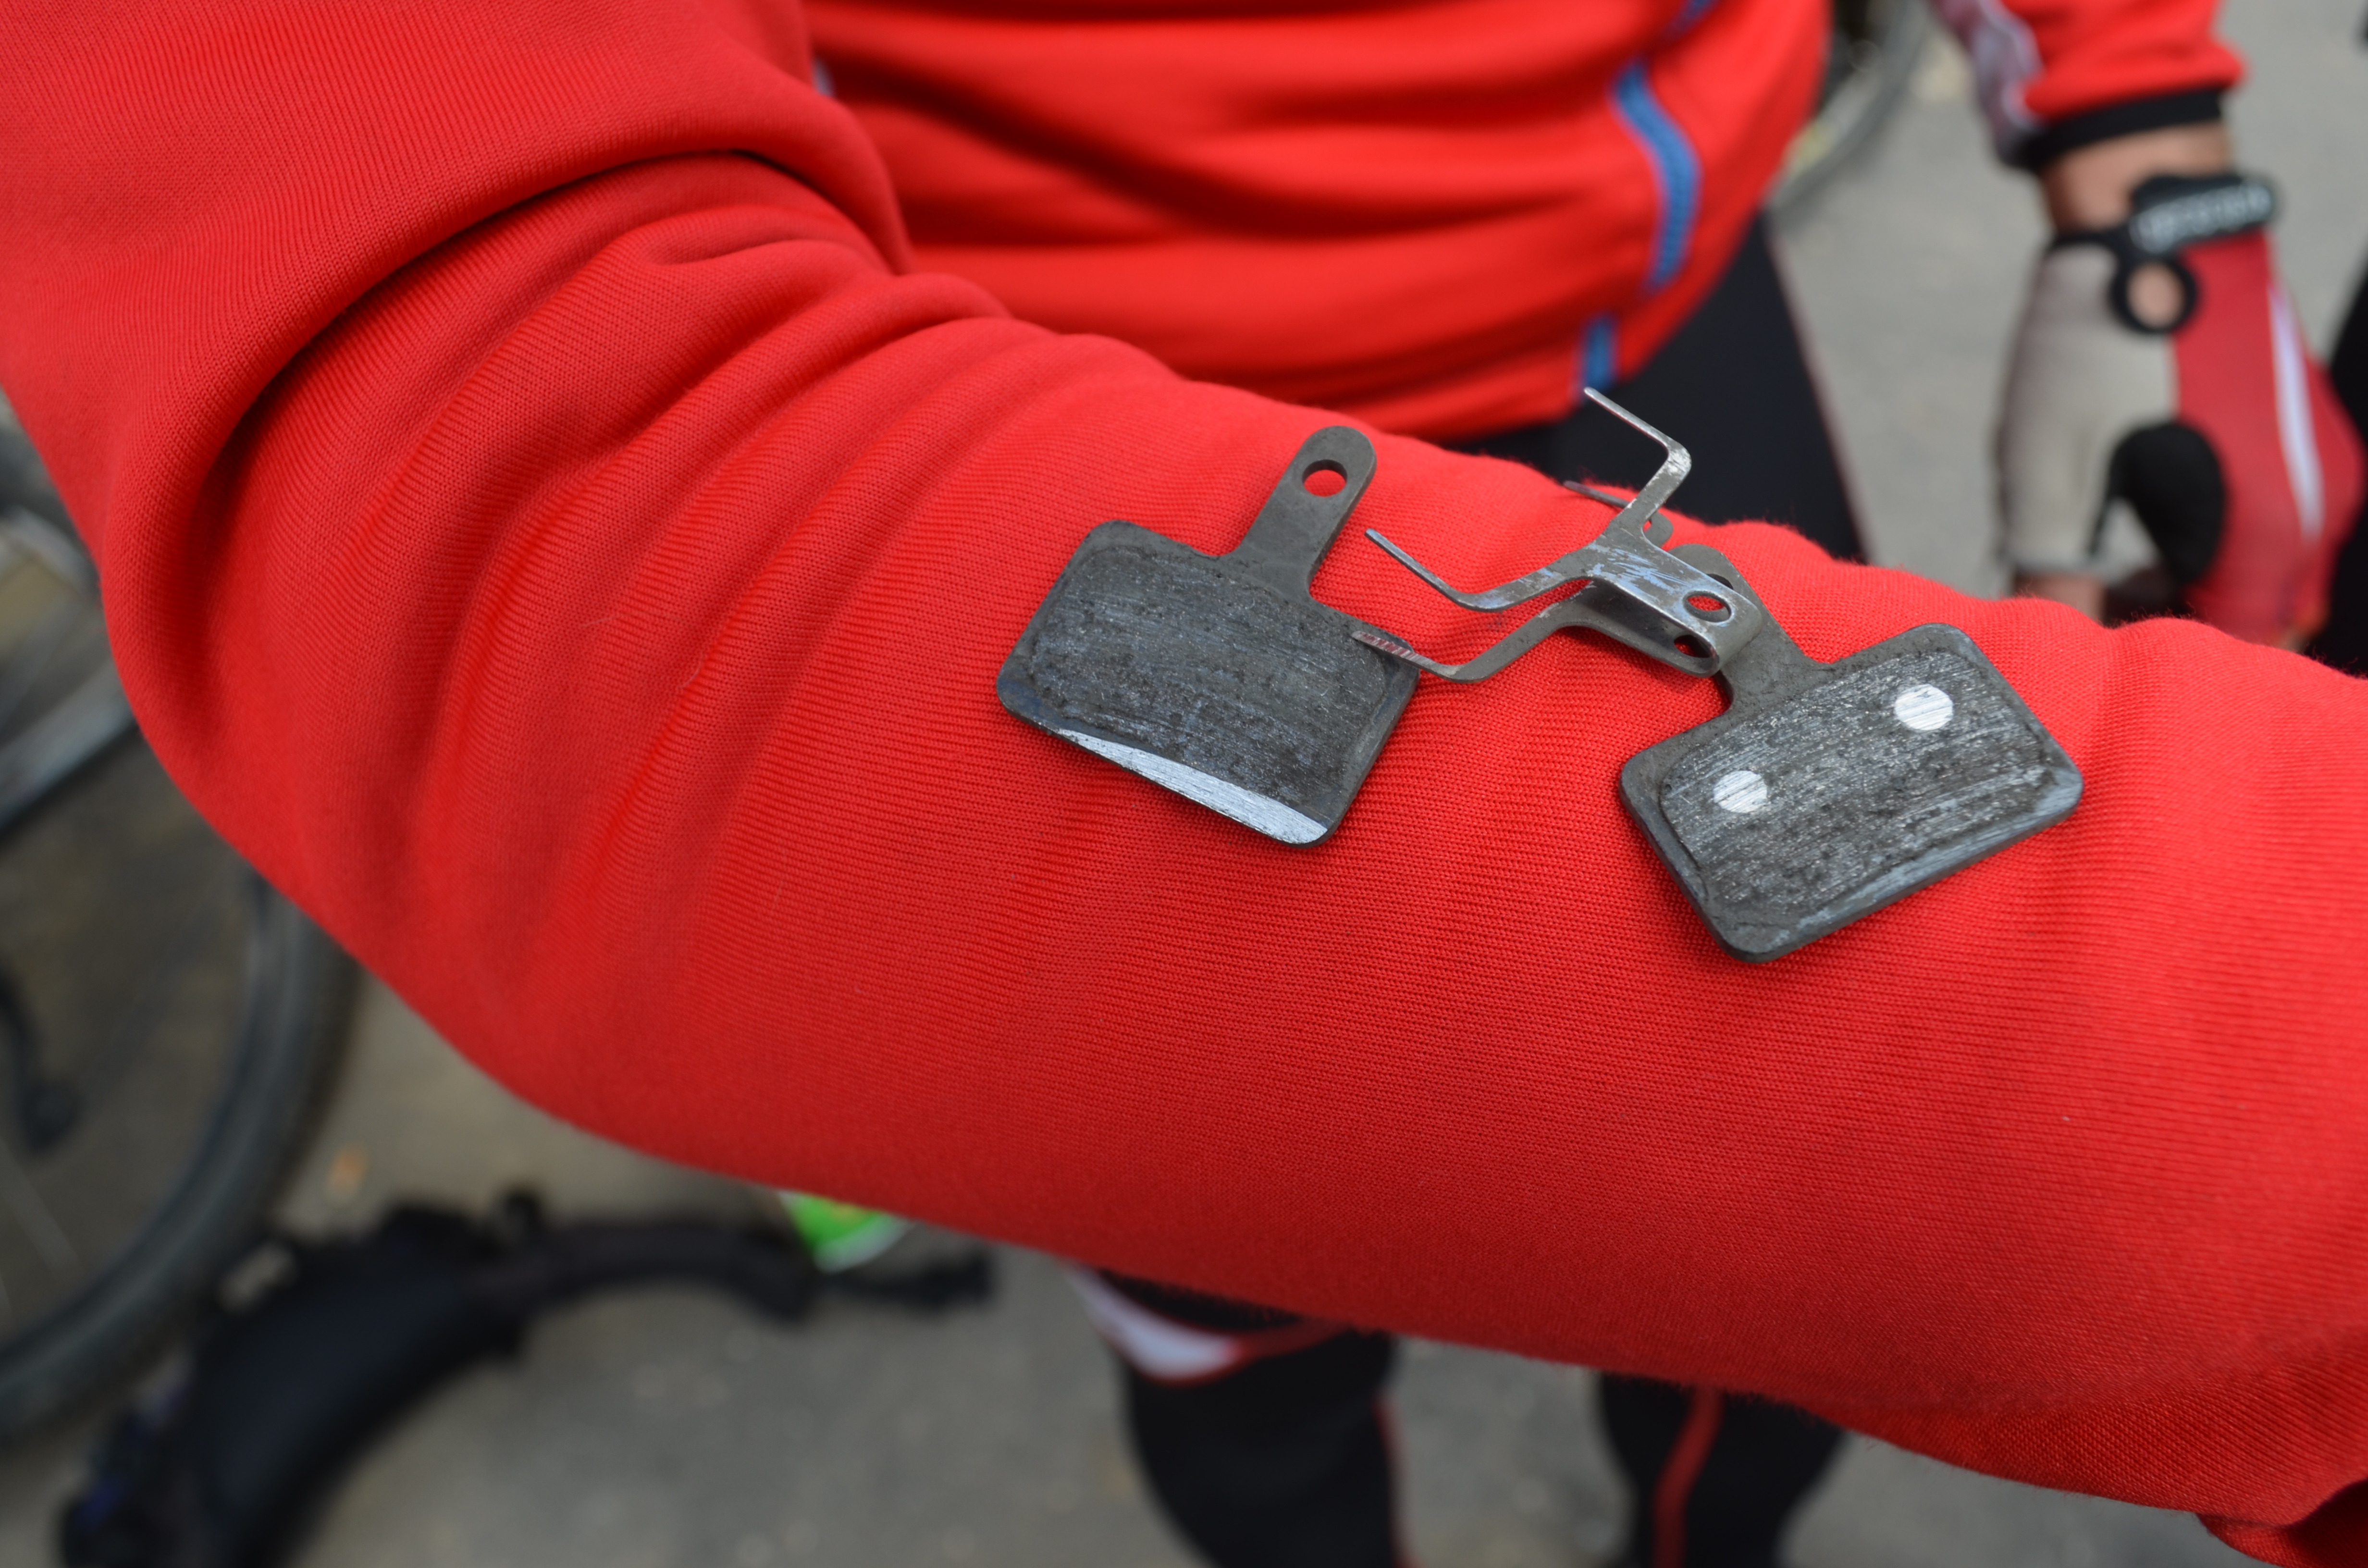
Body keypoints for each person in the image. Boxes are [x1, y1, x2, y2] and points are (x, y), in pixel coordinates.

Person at [0, 5, 2364, 1568]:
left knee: (1758, 1362)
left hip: (1659, 332)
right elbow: (523, 562)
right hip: (1043, 424)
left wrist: (2133, 136)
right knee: (1241, 1355)